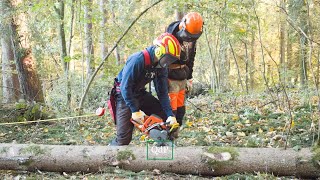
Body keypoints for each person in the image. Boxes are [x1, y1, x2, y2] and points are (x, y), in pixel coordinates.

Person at [110, 33, 181, 146]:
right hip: (123, 94)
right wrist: (134, 110)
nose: (168, 62)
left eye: (171, 60)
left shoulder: (161, 66)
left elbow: (162, 92)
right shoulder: (138, 60)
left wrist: (169, 115)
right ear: (159, 51)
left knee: (164, 117)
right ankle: (109, 155)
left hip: (139, 92)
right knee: (123, 139)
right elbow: (125, 87)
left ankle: (163, 150)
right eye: (168, 58)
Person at [166, 12, 203, 127]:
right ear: (183, 26)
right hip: (170, 77)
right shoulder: (169, 36)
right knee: (172, 111)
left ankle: (176, 134)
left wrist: (189, 78)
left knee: (180, 110)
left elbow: (191, 57)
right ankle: (167, 138)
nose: (190, 39)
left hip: (182, 76)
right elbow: (162, 60)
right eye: (189, 36)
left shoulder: (193, 35)